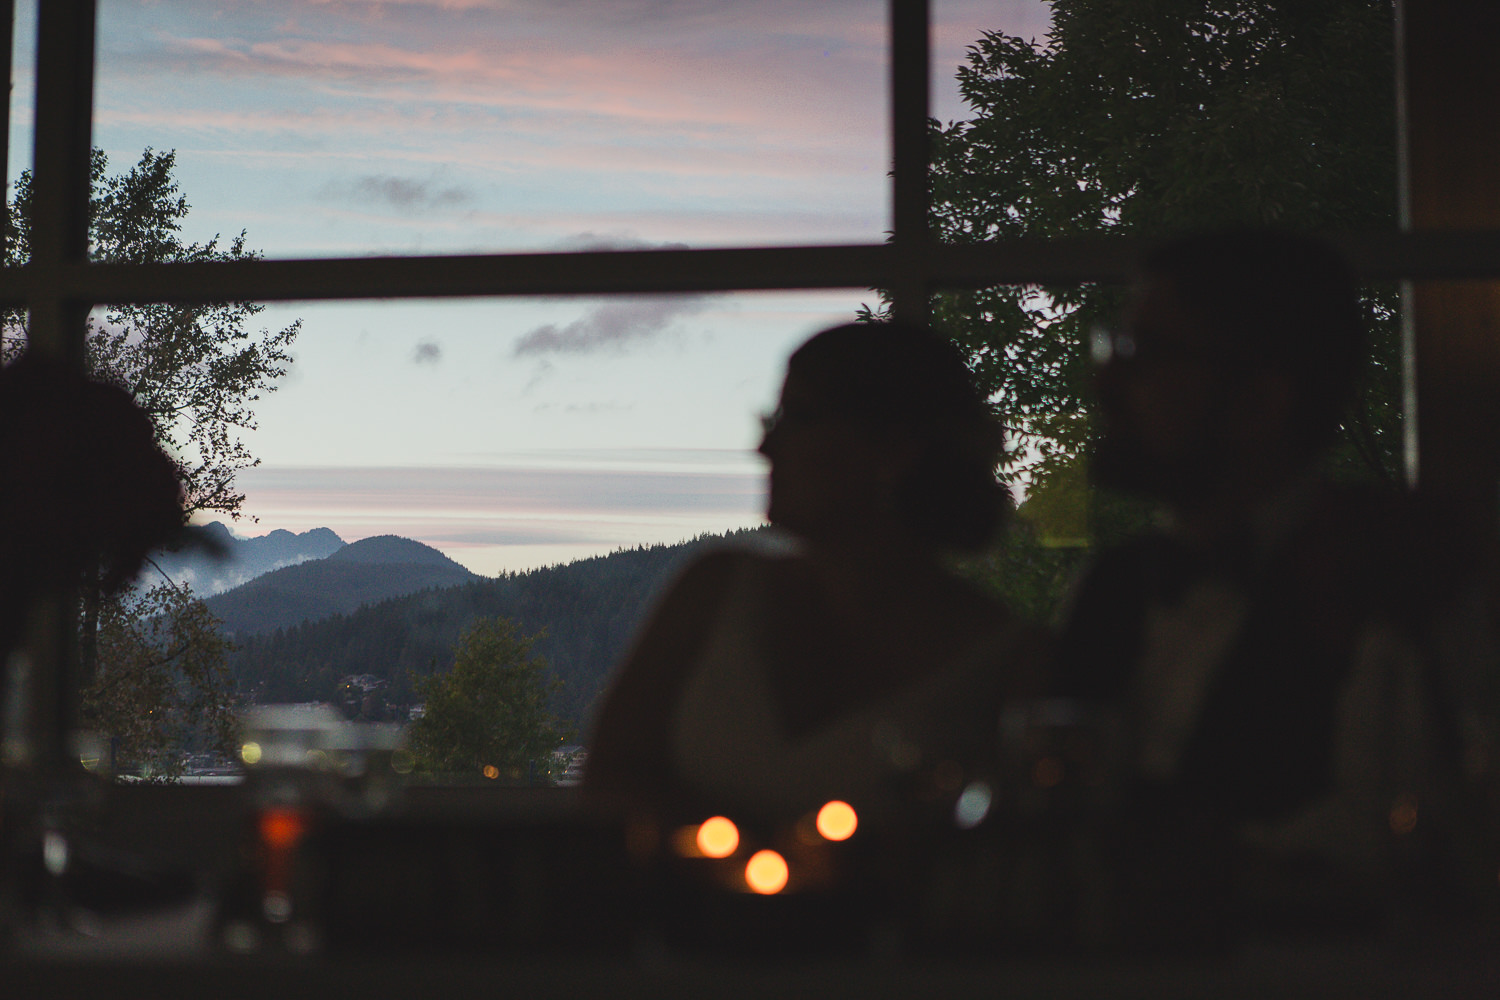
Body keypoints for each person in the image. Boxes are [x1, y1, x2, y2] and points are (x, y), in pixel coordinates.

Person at [1055, 229, 1494, 942]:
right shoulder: (1110, 584)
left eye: (1142, 354)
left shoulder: (1392, 578)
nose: (1105, 383)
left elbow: (1395, 851)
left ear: (1260, 401)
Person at [584, 321, 1041, 830]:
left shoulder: (1007, 666)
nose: (766, 448)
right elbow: (609, 780)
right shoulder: (713, 591)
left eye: (797, 417)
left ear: (894, 449)